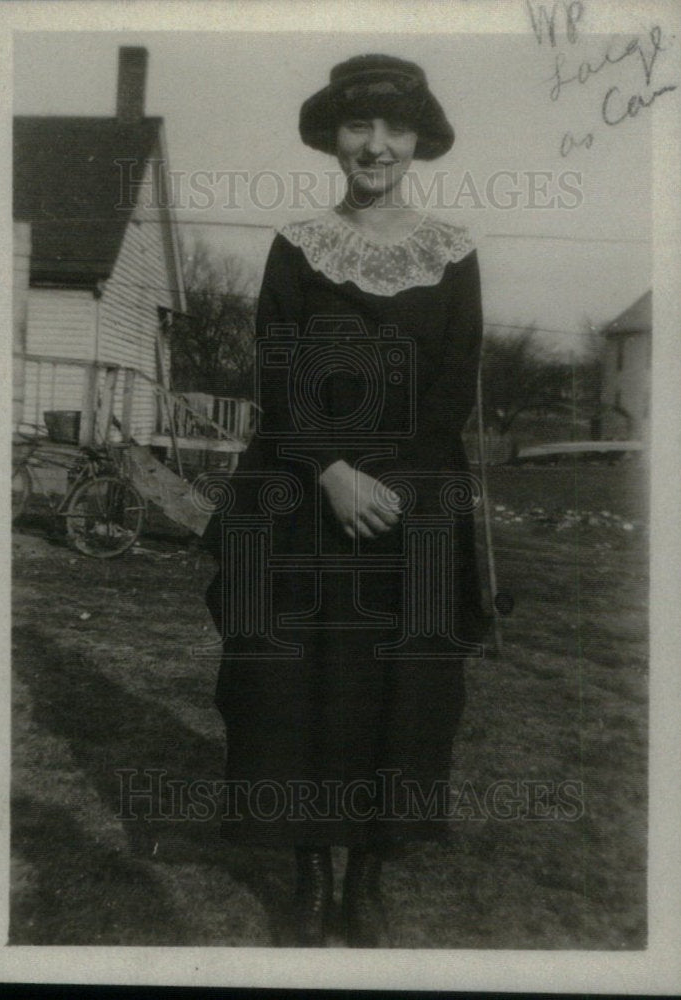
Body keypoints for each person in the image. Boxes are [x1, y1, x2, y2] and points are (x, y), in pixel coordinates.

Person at [203, 53, 488, 948]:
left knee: (402, 691)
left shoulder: (454, 252)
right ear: (334, 138)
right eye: (359, 127)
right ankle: (307, 870)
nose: (376, 146)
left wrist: (391, 490)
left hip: (413, 509)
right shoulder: (297, 244)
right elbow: (276, 371)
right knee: (288, 683)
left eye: (394, 128)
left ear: (418, 142)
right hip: (297, 495)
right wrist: (331, 471)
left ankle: (367, 874)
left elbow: (451, 388)